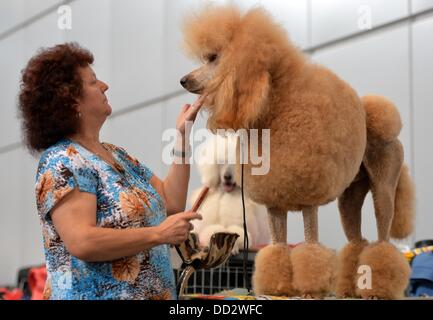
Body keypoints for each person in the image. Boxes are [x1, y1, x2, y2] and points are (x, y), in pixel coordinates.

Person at [18, 42, 204, 300]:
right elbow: (82, 241)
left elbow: (171, 204)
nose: (104, 85)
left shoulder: (117, 155)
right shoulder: (62, 160)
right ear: (71, 99)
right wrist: (158, 234)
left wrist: (183, 135)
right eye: (93, 82)